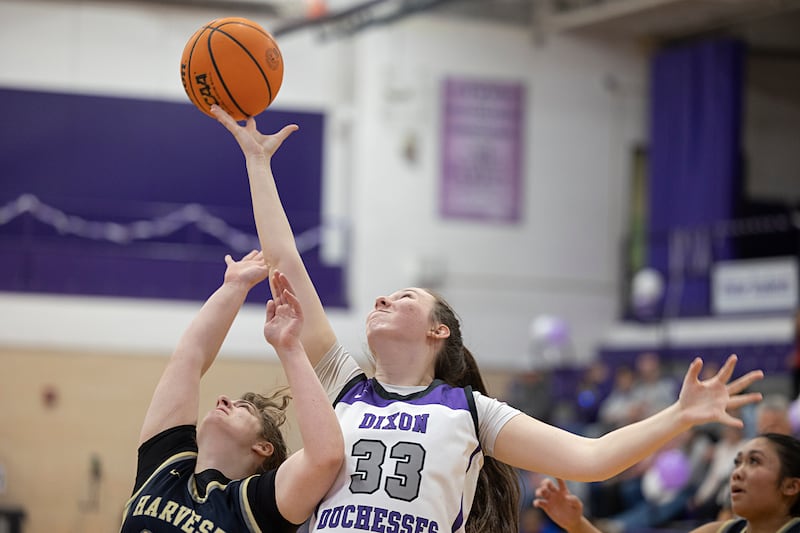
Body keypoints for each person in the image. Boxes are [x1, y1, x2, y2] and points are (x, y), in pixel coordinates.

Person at [210, 104, 765, 533]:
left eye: (403, 297)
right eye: (383, 297)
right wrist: (258, 164)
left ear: (438, 330)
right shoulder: (344, 386)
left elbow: (590, 458)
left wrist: (680, 415)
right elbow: (286, 268)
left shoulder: (472, 412)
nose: (381, 301)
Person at [120, 252, 344, 532]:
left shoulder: (257, 505)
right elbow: (189, 357)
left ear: (263, 447)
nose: (223, 400)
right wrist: (234, 286)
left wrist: (289, 347)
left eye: (244, 409)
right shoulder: (164, 466)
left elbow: (325, 456)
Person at [533, 433, 800, 533]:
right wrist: (576, 524)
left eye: (754, 462)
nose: (738, 472)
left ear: (791, 486)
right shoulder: (720, 530)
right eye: (737, 462)